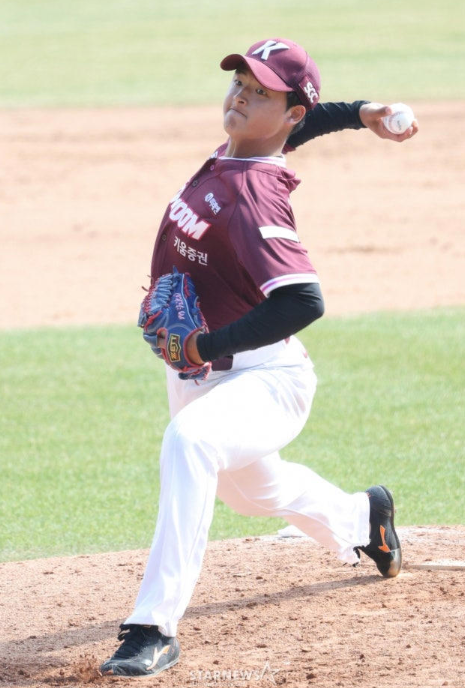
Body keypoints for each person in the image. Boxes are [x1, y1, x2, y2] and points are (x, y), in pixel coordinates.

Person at [100, 38, 417, 678]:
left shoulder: (254, 195)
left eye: (261, 92)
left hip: (266, 376)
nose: (242, 96)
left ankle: (153, 626)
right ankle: (364, 517)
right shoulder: (241, 148)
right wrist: (364, 112)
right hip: (203, 374)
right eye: (241, 83)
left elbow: (303, 300)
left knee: (190, 443)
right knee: (254, 491)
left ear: (290, 113)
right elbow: (301, 121)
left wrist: (205, 345)